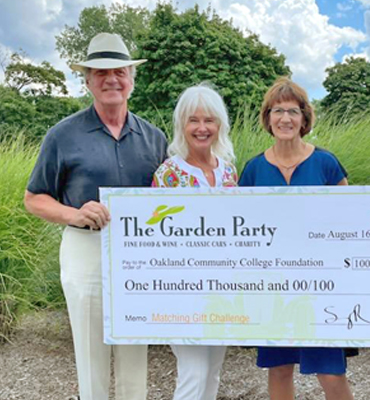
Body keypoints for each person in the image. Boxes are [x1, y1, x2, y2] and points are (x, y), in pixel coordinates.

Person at [24, 33, 167, 400]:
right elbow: (34, 198)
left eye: (119, 71)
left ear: (132, 80)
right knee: (90, 354)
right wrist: (74, 213)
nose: (111, 80)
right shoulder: (62, 135)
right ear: (87, 80)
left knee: (135, 351)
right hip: (85, 250)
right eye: (100, 73)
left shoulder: (154, 138)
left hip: (140, 258)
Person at [239, 77, 354, 400]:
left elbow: (351, 221)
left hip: (321, 287)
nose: (285, 118)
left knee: (331, 371)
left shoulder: (326, 164)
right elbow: (242, 231)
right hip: (272, 287)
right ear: (268, 117)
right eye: (278, 110)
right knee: (279, 369)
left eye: (293, 111)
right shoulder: (253, 170)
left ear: (304, 118)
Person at [152, 83, 237, 399]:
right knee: (194, 371)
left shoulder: (228, 173)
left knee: (214, 368)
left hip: (222, 289)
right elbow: (157, 239)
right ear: (181, 126)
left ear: (220, 125)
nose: (202, 128)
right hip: (182, 290)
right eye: (193, 121)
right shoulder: (169, 174)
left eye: (209, 120)